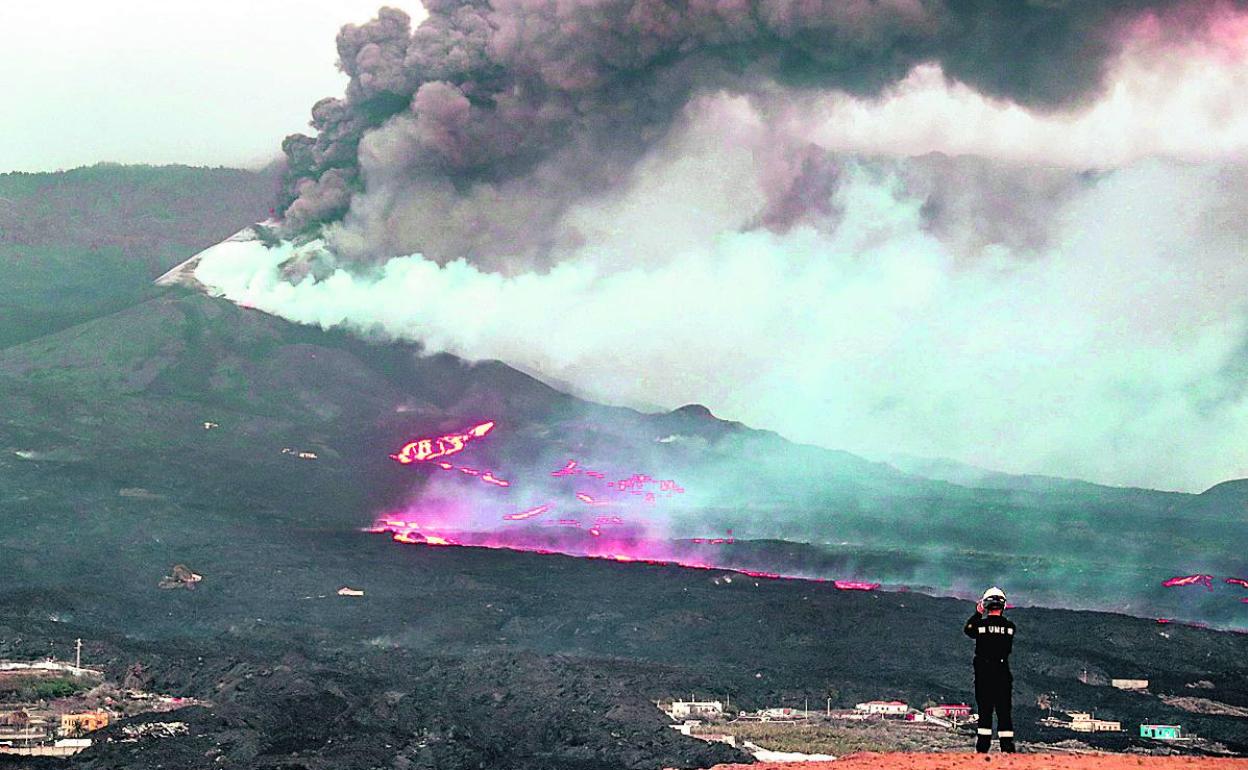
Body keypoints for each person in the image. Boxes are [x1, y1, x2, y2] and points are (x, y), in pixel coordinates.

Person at [963, 586, 1015, 753]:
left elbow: (968, 630)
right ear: (1003, 605)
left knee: (985, 712)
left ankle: (982, 749)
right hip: (1002, 673)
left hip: (984, 674)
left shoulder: (980, 626)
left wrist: (978, 613)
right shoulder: (1009, 627)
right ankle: (1007, 749)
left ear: (985, 604)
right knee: (1004, 712)